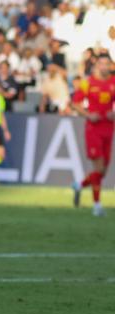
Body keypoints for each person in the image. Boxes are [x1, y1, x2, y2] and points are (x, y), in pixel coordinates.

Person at [70, 53, 114, 217]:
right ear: (96, 65)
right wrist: (88, 114)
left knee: (103, 172)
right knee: (99, 167)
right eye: (101, 63)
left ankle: (79, 185)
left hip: (109, 129)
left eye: (107, 64)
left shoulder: (113, 81)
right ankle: (97, 205)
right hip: (93, 129)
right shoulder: (88, 83)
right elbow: (75, 103)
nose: (104, 66)